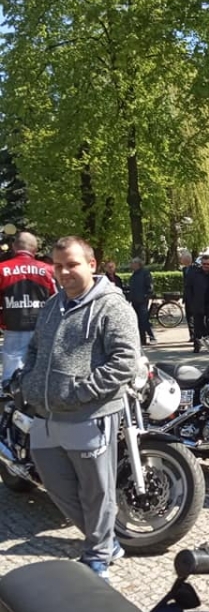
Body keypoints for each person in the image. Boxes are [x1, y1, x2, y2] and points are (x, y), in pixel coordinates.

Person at [19, 235, 141, 580]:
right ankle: (105, 541)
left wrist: (81, 392)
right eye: (58, 265)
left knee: (96, 491)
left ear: (91, 264)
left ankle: (99, 554)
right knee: (54, 483)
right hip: (46, 414)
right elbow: (34, 349)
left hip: (90, 415)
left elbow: (125, 361)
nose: (63, 272)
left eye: (71, 264)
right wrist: (28, 381)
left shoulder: (112, 306)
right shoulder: (52, 305)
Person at [0, 231, 56, 380]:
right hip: (43, 327)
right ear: (35, 249)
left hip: (13, 327)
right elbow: (57, 299)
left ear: (14, 247)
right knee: (41, 370)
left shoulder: (2, 269)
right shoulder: (48, 270)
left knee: (11, 373)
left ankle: (12, 392)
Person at [184, 253, 209, 352]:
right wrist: (191, 302)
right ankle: (197, 345)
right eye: (204, 264)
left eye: (208, 264)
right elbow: (188, 288)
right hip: (198, 303)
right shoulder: (194, 274)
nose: (206, 266)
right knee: (198, 325)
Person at [128, 257, 156, 346]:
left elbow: (149, 286)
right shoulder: (134, 274)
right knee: (138, 321)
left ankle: (152, 337)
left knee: (144, 320)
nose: (131, 265)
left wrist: (146, 296)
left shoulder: (145, 273)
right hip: (135, 300)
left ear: (137, 264)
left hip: (142, 301)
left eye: (132, 263)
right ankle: (142, 339)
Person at [179, 251, 195, 343]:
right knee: (189, 316)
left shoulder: (194, 269)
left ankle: (194, 335)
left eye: (182, 258)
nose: (180, 260)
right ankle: (191, 335)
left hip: (193, 297)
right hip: (187, 297)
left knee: (193, 316)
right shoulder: (184, 269)